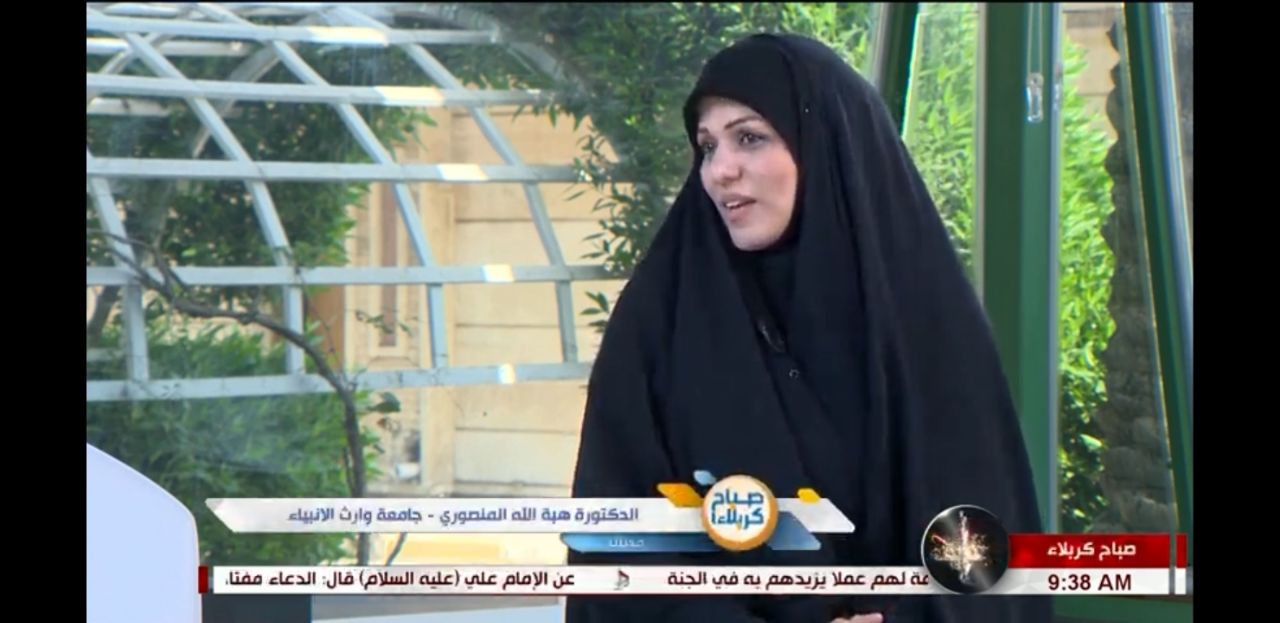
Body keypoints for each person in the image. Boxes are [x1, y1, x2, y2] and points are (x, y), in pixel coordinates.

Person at [565, 33, 1052, 623]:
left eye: (749, 137)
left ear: (823, 143)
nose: (720, 170)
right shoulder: (659, 324)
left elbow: (986, 550)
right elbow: (617, 553)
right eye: (707, 146)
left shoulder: (922, 322)